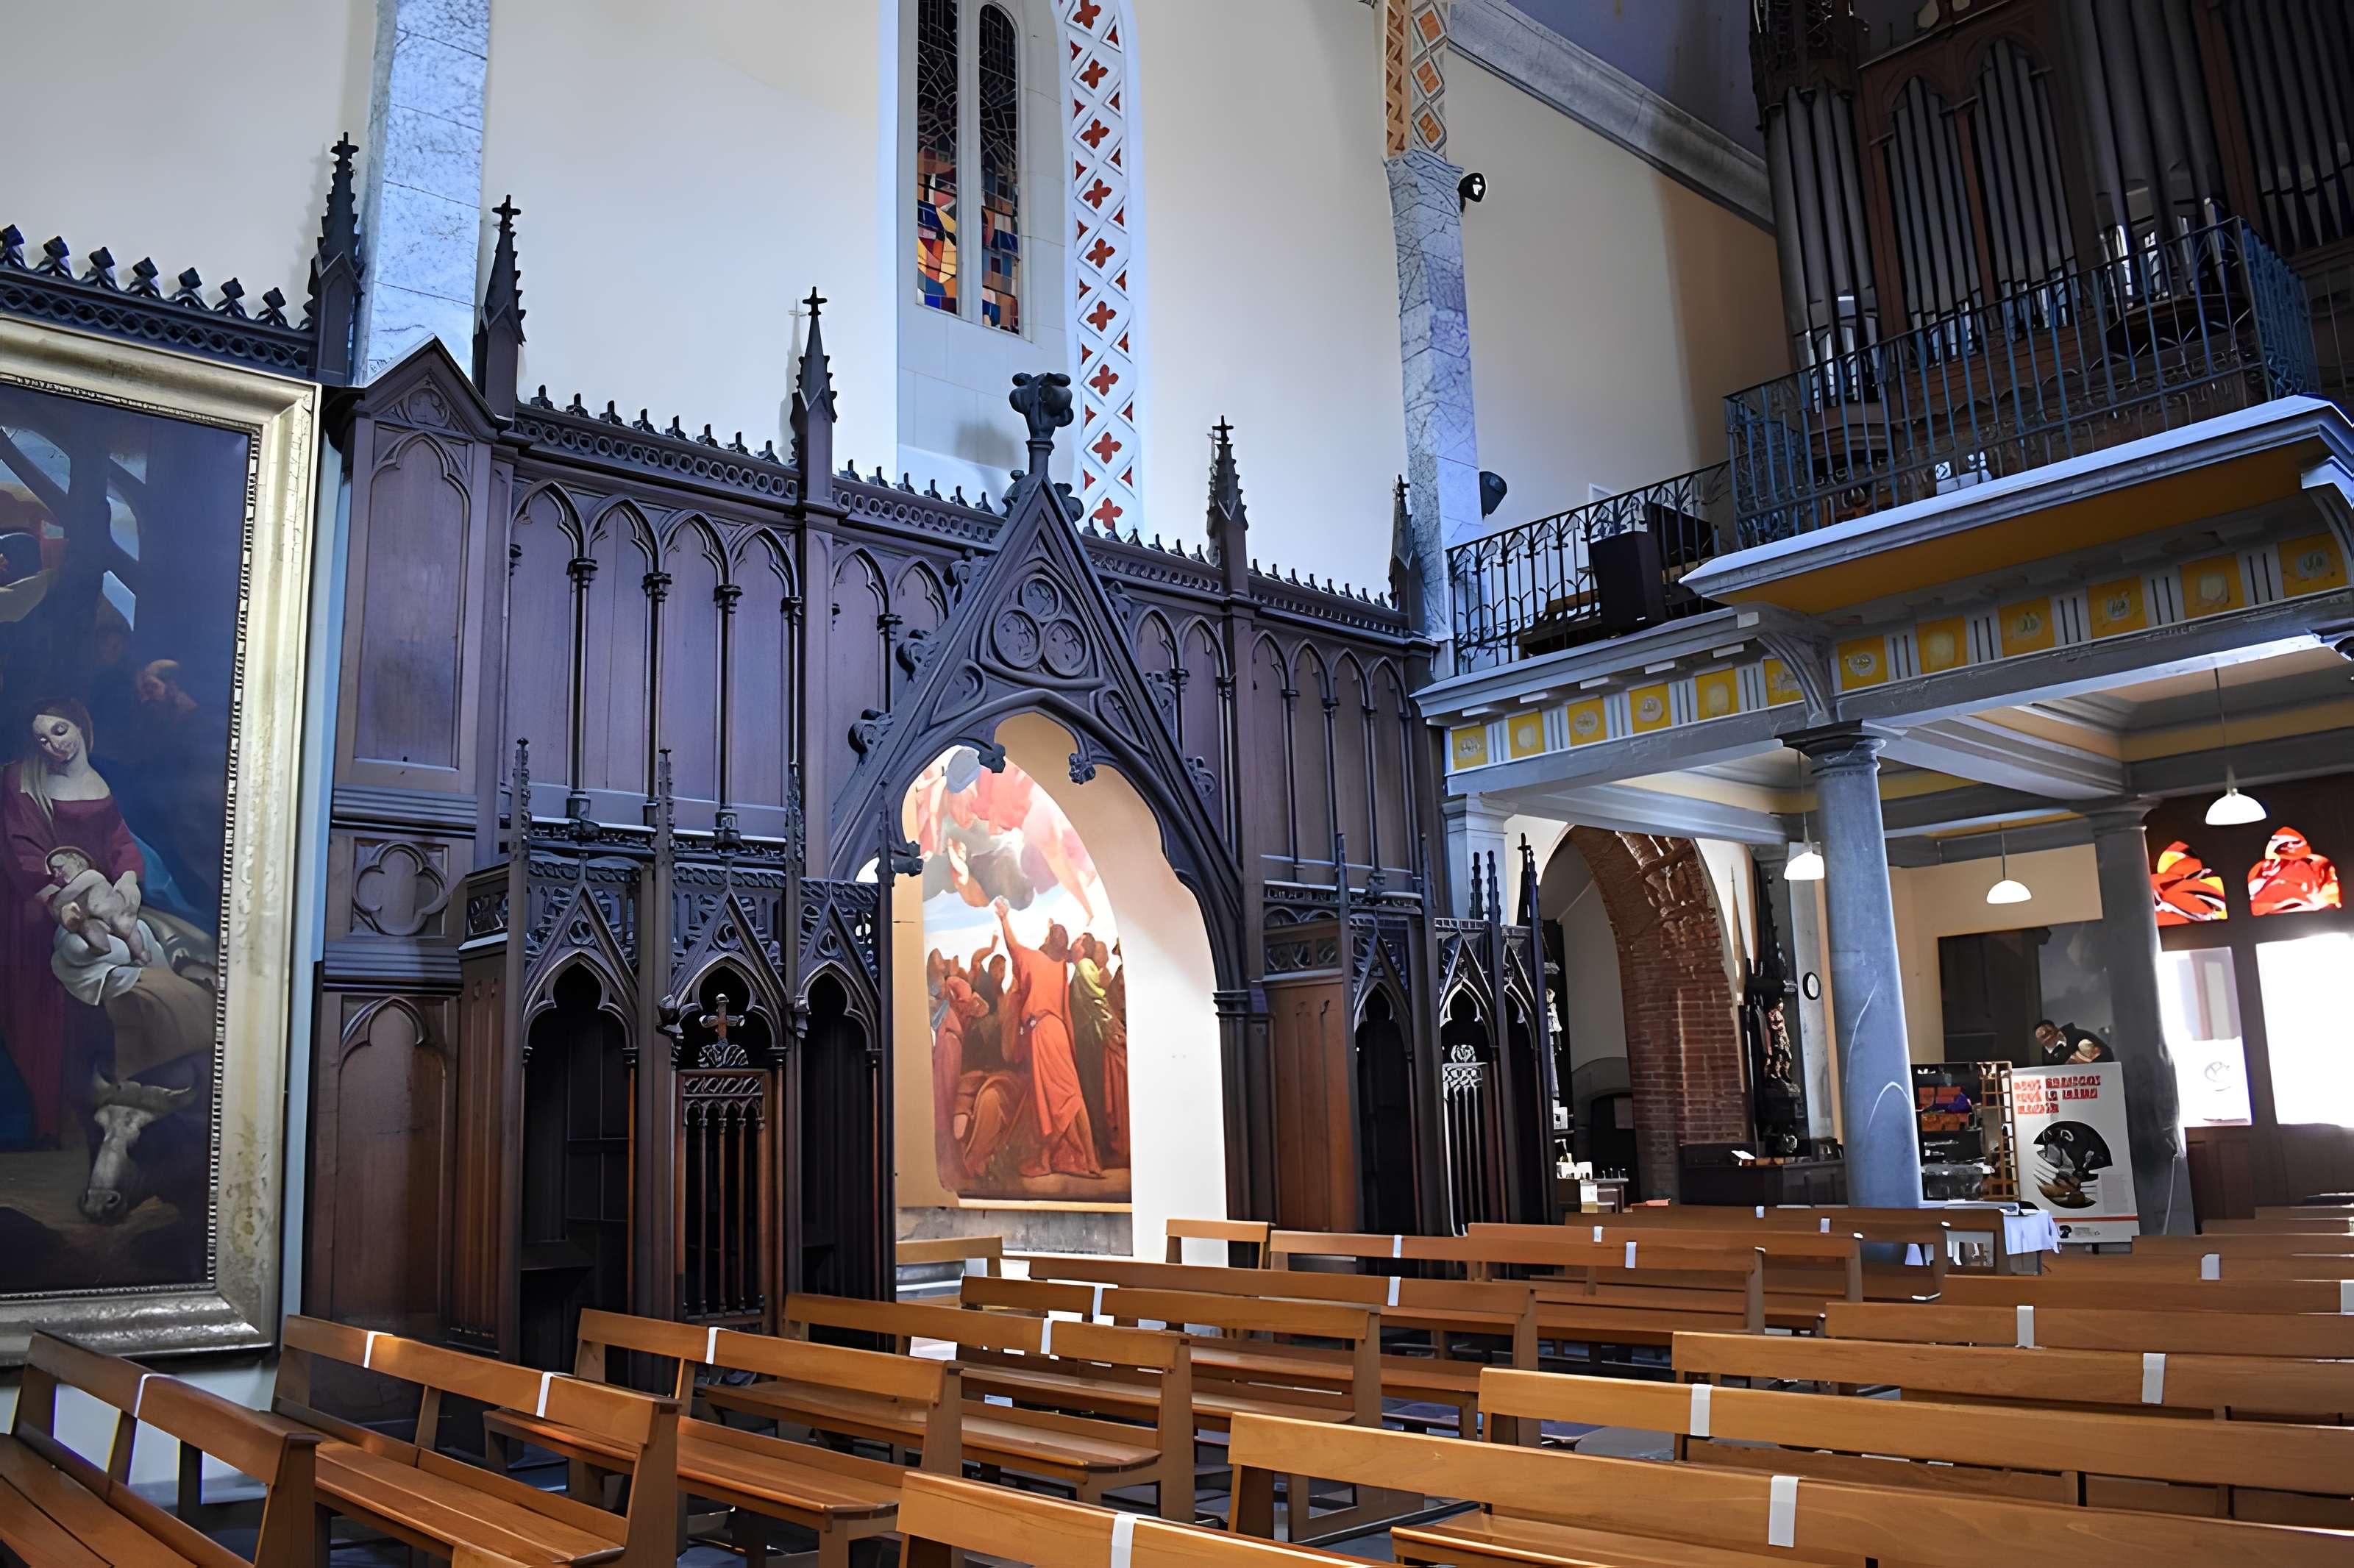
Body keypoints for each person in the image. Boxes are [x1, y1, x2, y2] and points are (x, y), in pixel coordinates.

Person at [1, 699, 143, 1145]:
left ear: (80, 728)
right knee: (35, 1014)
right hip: (33, 908)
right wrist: (55, 901)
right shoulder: (19, 780)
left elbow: (120, 841)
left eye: (60, 731)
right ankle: (42, 1123)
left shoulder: (100, 781)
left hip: (94, 902)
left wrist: (130, 882)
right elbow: (18, 849)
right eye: (43, 738)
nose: (52, 744)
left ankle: (81, 1122)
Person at [993, 897, 1100, 1179]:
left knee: (1064, 1100)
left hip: (1045, 1034)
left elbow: (1013, 947)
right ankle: (1085, 1160)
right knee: (1067, 1099)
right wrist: (1004, 919)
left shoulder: (1055, 965)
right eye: (1059, 934)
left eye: (1061, 934)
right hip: (1051, 1034)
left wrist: (1004, 918)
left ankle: (1069, 1158)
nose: (1060, 936)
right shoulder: (1050, 964)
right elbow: (1014, 947)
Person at [2032, 1019, 2113, 1065]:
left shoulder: (2081, 1039)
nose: (2044, 1043)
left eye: (2045, 1037)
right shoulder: (2047, 1052)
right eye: (2041, 1040)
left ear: (2054, 1032)